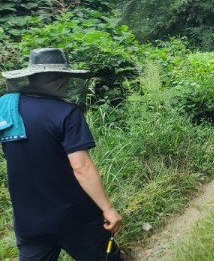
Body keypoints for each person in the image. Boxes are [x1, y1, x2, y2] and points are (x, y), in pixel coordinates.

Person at [0, 48, 125, 261]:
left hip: (29, 222)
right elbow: (81, 167)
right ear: (59, 79)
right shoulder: (67, 113)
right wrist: (109, 209)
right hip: (75, 218)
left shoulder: (6, 110)